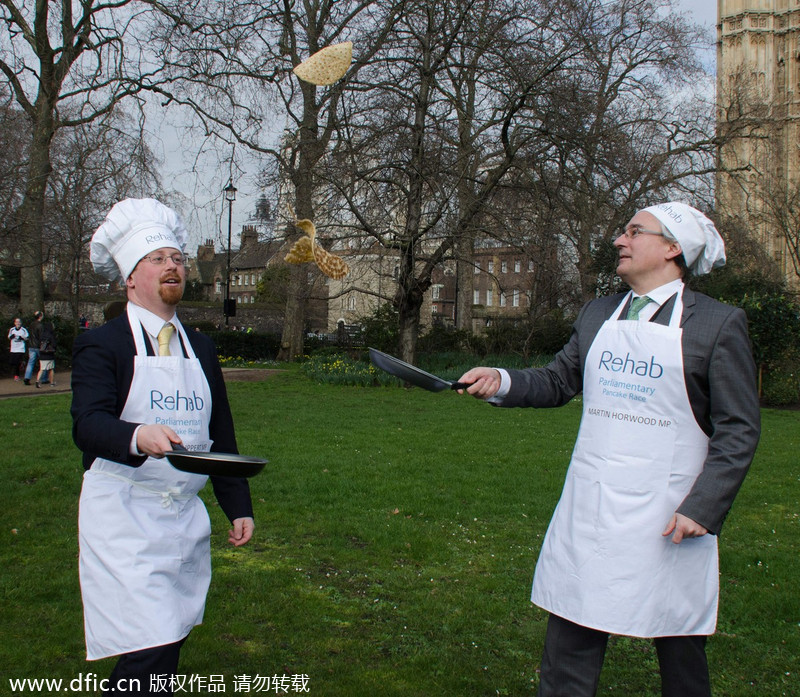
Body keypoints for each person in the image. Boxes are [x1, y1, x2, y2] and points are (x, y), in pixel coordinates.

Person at [459, 202, 760, 697]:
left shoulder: (718, 324)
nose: (619, 241)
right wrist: (502, 380)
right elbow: (558, 381)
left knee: (678, 644)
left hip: (671, 515)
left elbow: (739, 429)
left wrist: (703, 508)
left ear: (671, 248)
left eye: (633, 232)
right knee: (572, 628)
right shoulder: (598, 312)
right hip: (592, 506)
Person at [71, 198, 255, 697]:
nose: (172, 265)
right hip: (125, 515)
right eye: (158, 259)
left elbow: (221, 432)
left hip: (183, 517)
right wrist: (136, 435)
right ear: (131, 278)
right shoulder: (104, 344)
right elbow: (87, 425)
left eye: (177, 257)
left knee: (167, 640)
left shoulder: (202, 347)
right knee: (152, 644)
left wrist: (237, 504)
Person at [35, 318, 57, 387]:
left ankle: (37, 381)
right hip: (49, 354)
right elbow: (54, 345)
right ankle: (52, 382)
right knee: (51, 369)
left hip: (42, 354)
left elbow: (38, 344)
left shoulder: (42, 335)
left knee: (41, 369)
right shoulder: (51, 336)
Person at [23, 311, 43, 385]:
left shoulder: (31, 324)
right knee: (43, 362)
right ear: (40, 316)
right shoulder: (40, 325)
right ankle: (43, 378)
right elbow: (41, 336)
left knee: (30, 363)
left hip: (31, 345)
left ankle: (27, 377)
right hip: (38, 346)